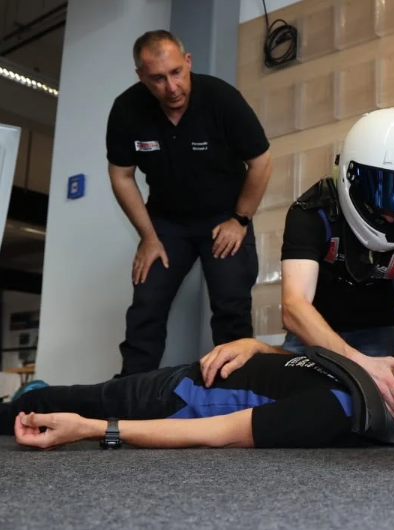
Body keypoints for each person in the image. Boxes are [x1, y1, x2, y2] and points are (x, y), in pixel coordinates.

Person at [105, 30, 273, 377]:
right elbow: (121, 175)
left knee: (230, 307)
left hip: (223, 217)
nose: (172, 87)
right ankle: (130, 401)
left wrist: (239, 220)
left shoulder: (221, 99)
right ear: (141, 77)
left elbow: (261, 161)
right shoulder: (127, 110)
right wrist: (149, 237)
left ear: (188, 62)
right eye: (158, 79)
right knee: (146, 307)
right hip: (166, 224)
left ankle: (237, 397)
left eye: (176, 73)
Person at [278, 108, 394, 425]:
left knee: (381, 411)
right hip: (311, 335)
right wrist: (356, 363)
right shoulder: (312, 213)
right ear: (352, 176)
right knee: (293, 400)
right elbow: (294, 307)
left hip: (377, 338)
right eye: (387, 194)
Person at [1, 339, 394, 450]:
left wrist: (92, 430)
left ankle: (20, 408)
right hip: (200, 373)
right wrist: (256, 345)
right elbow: (296, 364)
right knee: (68, 394)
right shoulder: (367, 380)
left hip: (175, 397)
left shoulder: (334, 412)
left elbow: (216, 432)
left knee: (68, 401)